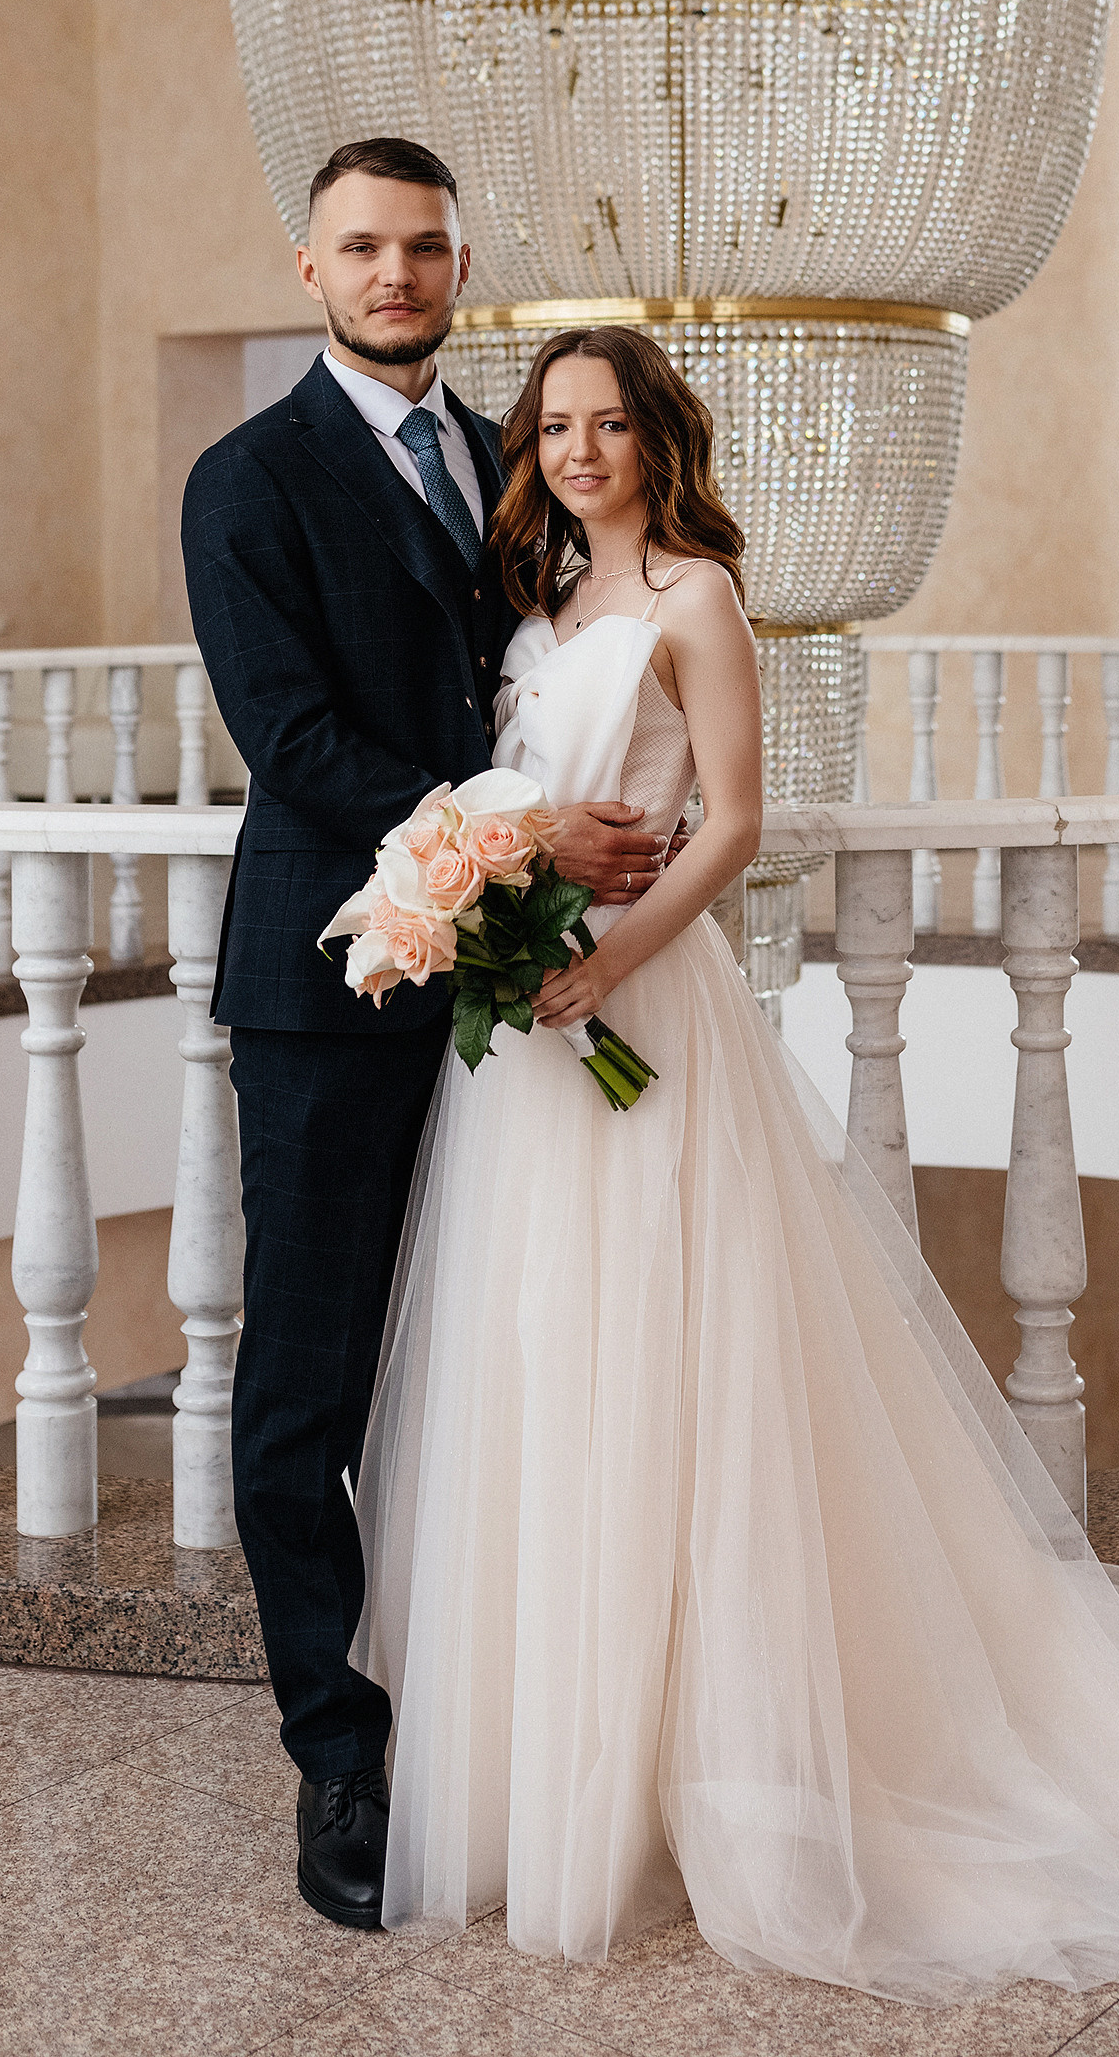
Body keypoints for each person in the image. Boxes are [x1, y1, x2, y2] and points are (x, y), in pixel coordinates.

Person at [349, 327, 1119, 2000]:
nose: (578, 451)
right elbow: (512, 803)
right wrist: (495, 904)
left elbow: (732, 822)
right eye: (554, 427)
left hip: (639, 1004)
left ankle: (720, 1752)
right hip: (522, 1048)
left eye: (608, 424)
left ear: (657, 439)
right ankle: (557, 1761)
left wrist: (606, 960)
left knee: (677, 1358)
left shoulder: (698, 602)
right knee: (545, 1359)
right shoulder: (544, 604)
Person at [181, 139, 672, 1932]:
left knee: (486, 1360)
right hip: (332, 991)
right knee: (305, 1389)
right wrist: (523, 837)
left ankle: (500, 1715)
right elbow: (297, 744)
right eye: (363, 247)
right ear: (308, 268)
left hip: (511, 1003)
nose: (396, 273)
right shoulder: (245, 480)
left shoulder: (511, 457)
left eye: (426, 247)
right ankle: (339, 1749)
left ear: (462, 265)